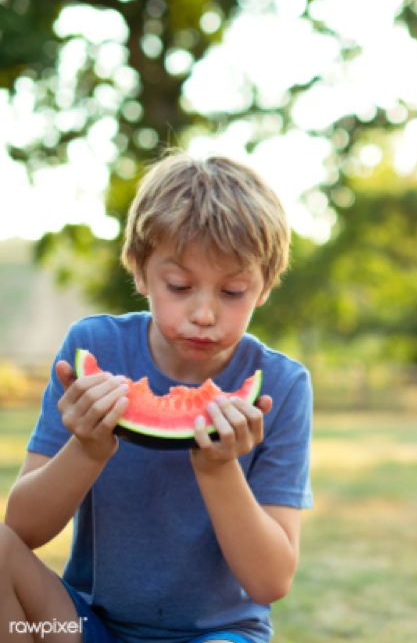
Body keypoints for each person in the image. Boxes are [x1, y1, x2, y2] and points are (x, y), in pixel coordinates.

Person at [1, 153, 313, 643]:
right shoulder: (94, 349)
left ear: (264, 288)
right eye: (180, 286)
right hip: (85, 624)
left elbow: (270, 581)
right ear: (141, 272)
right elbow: (22, 529)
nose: (204, 313)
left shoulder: (281, 385)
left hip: (219, 633)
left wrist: (218, 467)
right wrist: (86, 448)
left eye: (232, 292)